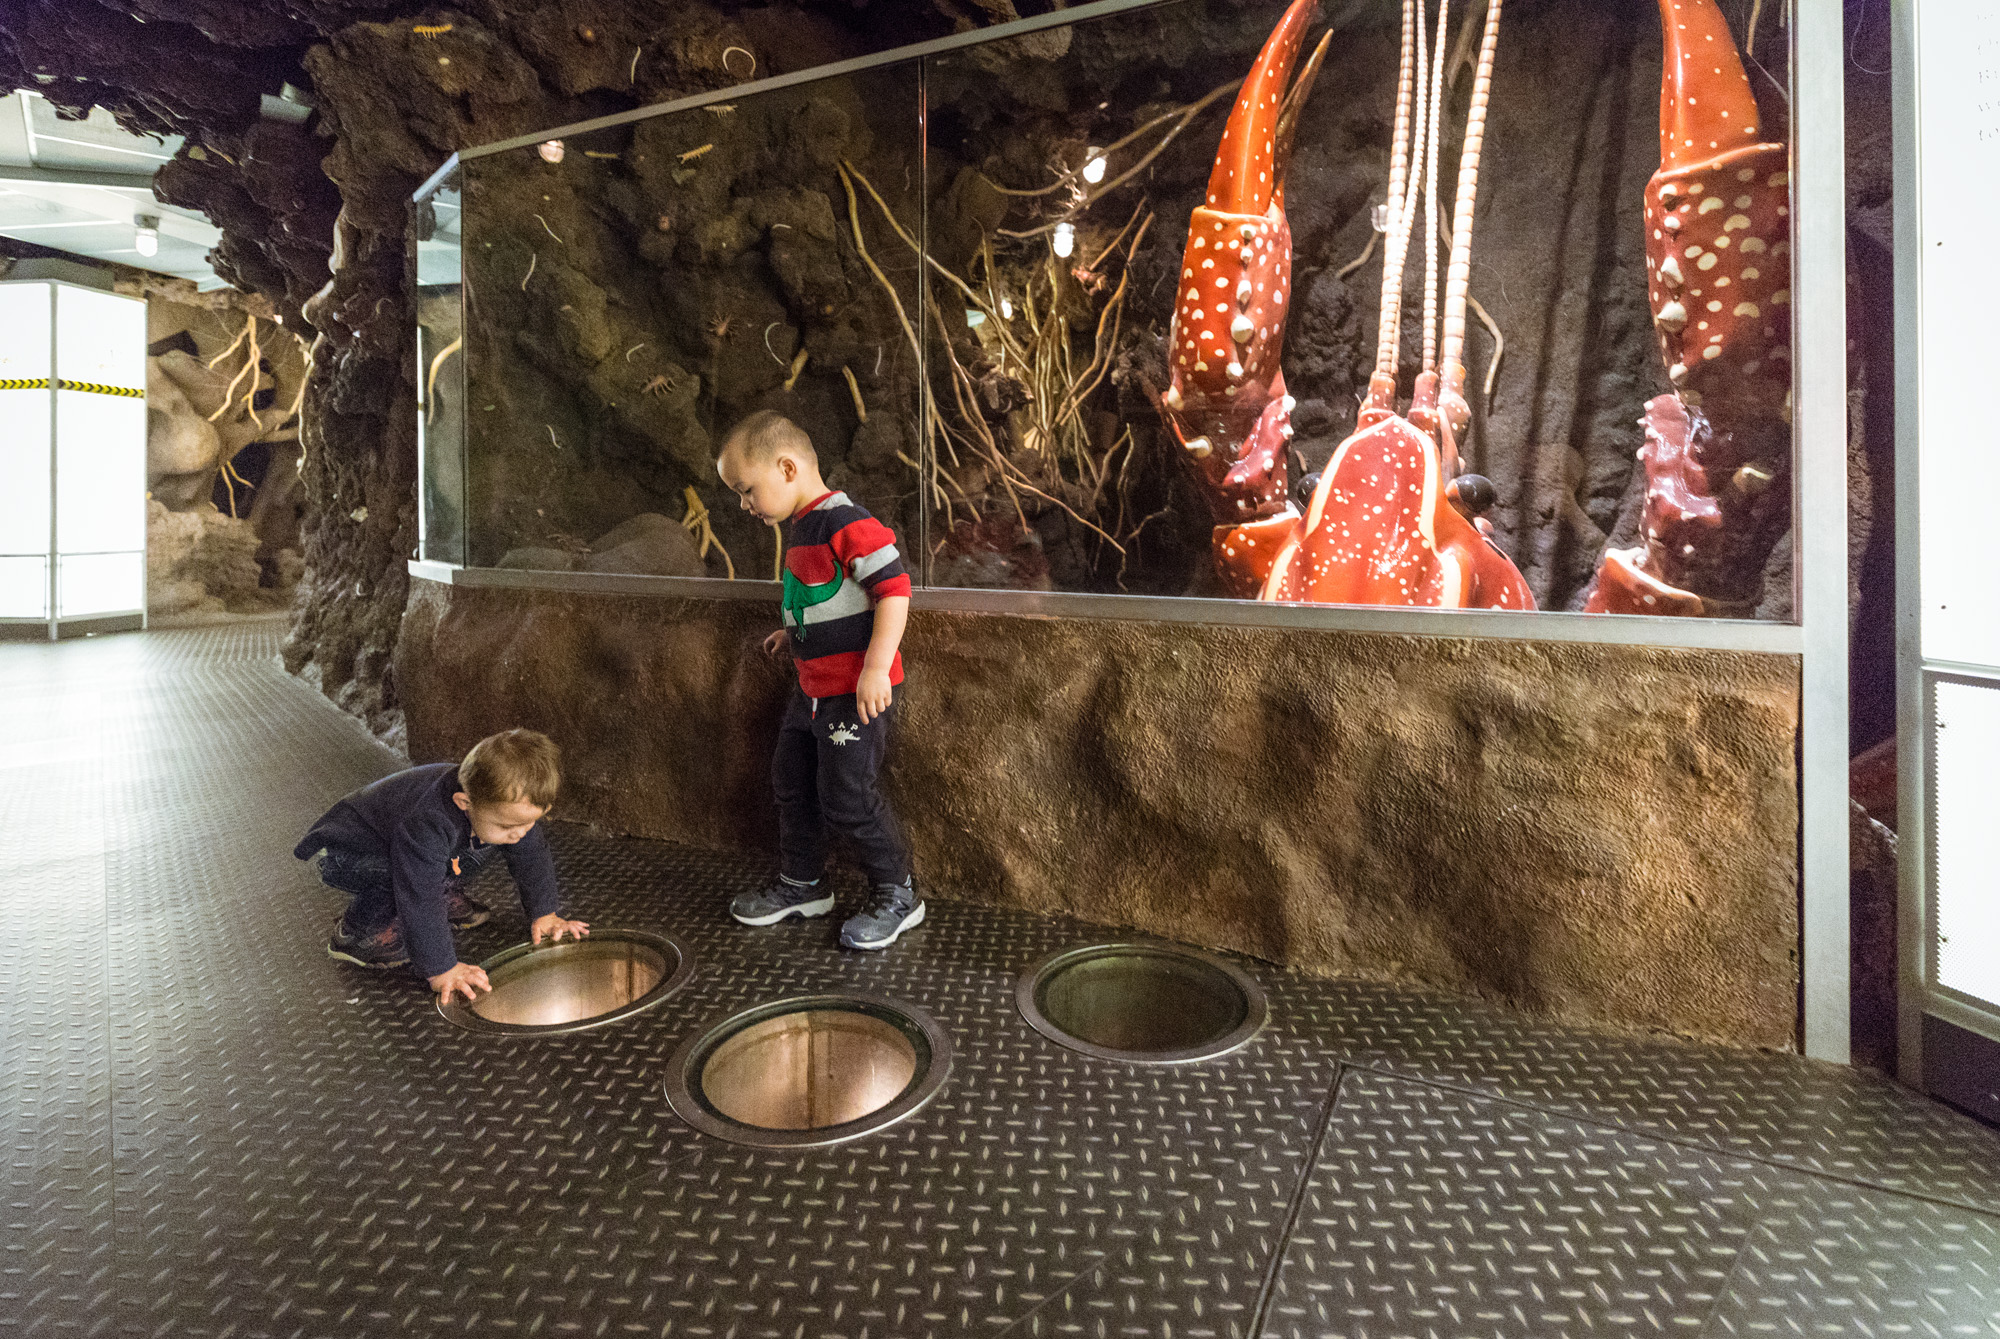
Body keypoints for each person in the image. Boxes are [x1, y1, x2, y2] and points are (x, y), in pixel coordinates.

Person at [715, 410, 926, 950]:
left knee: (848, 796)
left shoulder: (842, 520)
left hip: (852, 693)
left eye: (746, 490)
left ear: (787, 468)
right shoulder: (801, 527)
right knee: (791, 783)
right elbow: (825, 596)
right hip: (809, 690)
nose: (744, 505)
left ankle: (898, 893)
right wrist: (795, 633)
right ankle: (803, 883)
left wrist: (876, 668)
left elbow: (894, 590)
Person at [294, 729, 590, 1003]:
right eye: (508, 824)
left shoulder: (500, 809)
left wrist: (545, 913)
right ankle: (356, 930)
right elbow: (419, 892)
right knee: (413, 875)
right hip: (347, 856)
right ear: (465, 802)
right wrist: (441, 969)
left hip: (402, 845)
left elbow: (531, 854)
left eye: (530, 822)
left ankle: (443, 889)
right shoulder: (429, 821)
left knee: (489, 843)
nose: (520, 832)